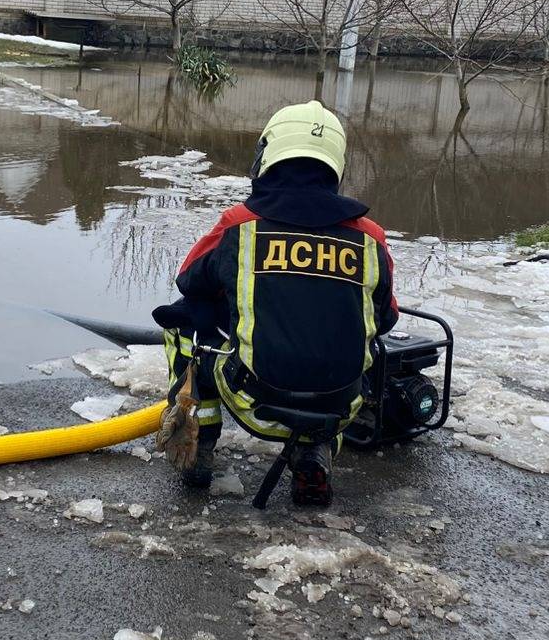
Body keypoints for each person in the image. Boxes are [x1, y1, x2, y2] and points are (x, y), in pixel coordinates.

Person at [155, 101, 397, 507]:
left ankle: (199, 444)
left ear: (268, 154)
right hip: (340, 406)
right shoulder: (370, 237)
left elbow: (189, 279)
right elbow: (386, 317)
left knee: (183, 322)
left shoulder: (239, 225)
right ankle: (314, 452)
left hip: (255, 402)